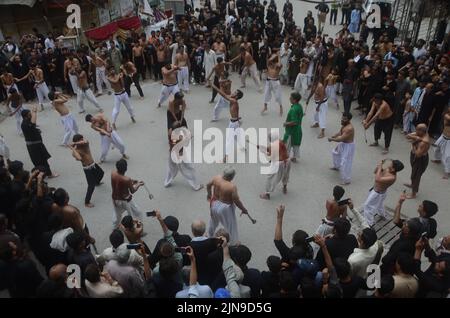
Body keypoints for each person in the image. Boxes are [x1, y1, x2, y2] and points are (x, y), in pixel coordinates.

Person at [207, 167, 249, 245]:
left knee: (213, 221)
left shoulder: (216, 178)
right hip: (225, 208)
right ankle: (234, 242)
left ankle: (209, 235)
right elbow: (236, 201)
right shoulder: (232, 187)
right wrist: (243, 209)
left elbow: (208, 185)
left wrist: (209, 194)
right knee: (230, 225)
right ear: (232, 177)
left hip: (214, 202)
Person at [362, 159, 404, 227]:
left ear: (393, 169)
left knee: (367, 206)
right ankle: (383, 215)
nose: (389, 164)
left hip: (377, 194)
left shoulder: (392, 177)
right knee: (379, 205)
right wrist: (379, 166)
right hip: (378, 192)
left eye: (391, 164)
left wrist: (380, 167)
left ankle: (369, 223)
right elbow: (376, 172)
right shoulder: (388, 169)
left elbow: (377, 179)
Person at [346, 199, 382, 279]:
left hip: (358, 277)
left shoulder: (353, 260)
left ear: (361, 241)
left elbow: (350, 274)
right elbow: (363, 221)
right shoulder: (375, 244)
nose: (358, 233)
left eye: (359, 234)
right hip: (367, 273)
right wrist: (352, 208)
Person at [211, 83, 245, 163]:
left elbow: (223, 94)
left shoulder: (233, 100)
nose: (233, 92)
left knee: (229, 140)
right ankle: (242, 147)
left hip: (233, 123)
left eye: (235, 92)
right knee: (237, 136)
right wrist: (238, 118)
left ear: (236, 96)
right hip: (235, 121)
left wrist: (214, 86)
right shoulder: (234, 100)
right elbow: (237, 110)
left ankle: (225, 158)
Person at [68, 134, 104, 208]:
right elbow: (79, 158)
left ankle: (97, 182)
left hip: (93, 165)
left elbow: (86, 141)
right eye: (81, 139)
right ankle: (87, 202)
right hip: (87, 169)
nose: (83, 140)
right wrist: (73, 148)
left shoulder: (85, 144)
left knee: (101, 173)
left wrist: (75, 143)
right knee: (91, 186)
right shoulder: (76, 151)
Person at [165, 122, 203, 191]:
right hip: (179, 154)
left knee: (171, 169)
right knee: (189, 169)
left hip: (172, 154)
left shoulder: (170, 131)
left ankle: (166, 182)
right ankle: (196, 186)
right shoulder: (177, 137)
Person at [20, 107, 58, 178]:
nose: (31, 115)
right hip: (34, 146)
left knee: (40, 160)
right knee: (41, 160)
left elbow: (32, 127)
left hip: (36, 145)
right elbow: (33, 124)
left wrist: (37, 131)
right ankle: (49, 174)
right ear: (26, 116)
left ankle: (42, 173)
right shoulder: (24, 124)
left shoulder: (27, 121)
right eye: (29, 114)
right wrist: (34, 112)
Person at [111, 159, 144, 228]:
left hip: (115, 199)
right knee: (136, 213)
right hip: (125, 200)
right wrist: (138, 184)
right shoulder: (127, 179)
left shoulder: (113, 173)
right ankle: (136, 229)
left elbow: (120, 181)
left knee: (117, 214)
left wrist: (131, 181)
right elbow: (132, 190)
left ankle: (115, 227)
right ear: (126, 168)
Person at [257, 131, 291, 200]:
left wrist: (263, 151)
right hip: (287, 161)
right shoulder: (280, 141)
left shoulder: (273, 146)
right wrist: (262, 147)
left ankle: (267, 194)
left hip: (279, 163)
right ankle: (284, 187)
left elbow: (270, 159)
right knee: (286, 174)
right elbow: (271, 149)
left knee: (270, 177)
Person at [404, 124, 430, 199]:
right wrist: (416, 137)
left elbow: (418, 155)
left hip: (420, 159)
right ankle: (412, 184)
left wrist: (413, 144)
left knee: (416, 176)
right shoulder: (420, 134)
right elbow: (407, 136)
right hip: (414, 156)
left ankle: (413, 194)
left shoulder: (424, 142)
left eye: (418, 130)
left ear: (422, 131)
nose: (416, 131)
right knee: (413, 173)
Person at [329, 113, 355, 185]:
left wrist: (331, 139)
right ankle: (336, 166)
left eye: (344, 119)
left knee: (345, 162)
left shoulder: (349, 128)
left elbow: (341, 139)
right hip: (343, 143)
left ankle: (346, 180)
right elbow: (340, 132)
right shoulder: (344, 125)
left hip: (348, 146)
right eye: (342, 118)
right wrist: (335, 135)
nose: (342, 120)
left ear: (349, 120)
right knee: (335, 153)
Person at [283, 92, 304, 163]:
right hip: (298, 129)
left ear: (294, 100)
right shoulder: (299, 106)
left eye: (291, 98)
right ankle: (295, 157)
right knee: (296, 144)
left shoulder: (293, 109)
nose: (289, 99)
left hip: (291, 130)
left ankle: (285, 157)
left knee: (287, 143)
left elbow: (294, 122)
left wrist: (286, 123)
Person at [432, 109, 450, 179]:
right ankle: (437, 159)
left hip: (449, 140)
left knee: (448, 156)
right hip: (443, 136)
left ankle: (447, 172)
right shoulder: (447, 116)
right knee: (436, 148)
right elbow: (447, 119)